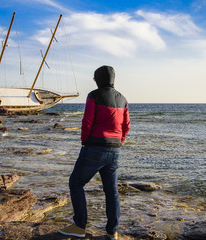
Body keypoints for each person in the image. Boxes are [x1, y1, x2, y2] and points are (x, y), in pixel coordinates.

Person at [59, 65, 130, 240]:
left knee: (76, 183)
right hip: (115, 150)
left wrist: (84, 140)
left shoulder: (94, 95)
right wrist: (119, 142)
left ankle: (79, 226)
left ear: (98, 79)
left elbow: (87, 120)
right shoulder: (123, 99)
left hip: (95, 147)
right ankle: (112, 231)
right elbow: (126, 126)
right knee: (111, 190)